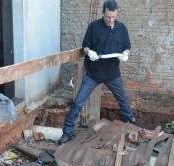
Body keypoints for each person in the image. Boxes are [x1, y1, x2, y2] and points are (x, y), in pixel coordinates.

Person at [58, 0, 135, 145]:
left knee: (123, 101)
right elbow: (85, 47)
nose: (110, 20)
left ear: (116, 13)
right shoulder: (94, 27)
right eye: (108, 17)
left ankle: (131, 124)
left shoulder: (121, 28)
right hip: (93, 74)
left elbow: (127, 46)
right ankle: (67, 131)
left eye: (113, 17)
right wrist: (90, 52)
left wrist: (126, 53)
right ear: (103, 13)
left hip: (113, 74)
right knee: (78, 102)